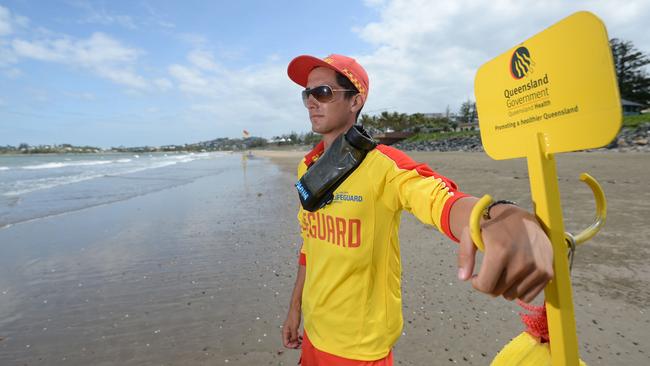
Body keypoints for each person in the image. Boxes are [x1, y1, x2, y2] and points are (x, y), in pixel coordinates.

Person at [281, 54, 554, 365]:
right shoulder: (308, 167)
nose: (312, 102)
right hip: (314, 334)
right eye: (307, 94)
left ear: (355, 101)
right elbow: (309, 246)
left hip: (359, 345)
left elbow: (439, 198)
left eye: (323, 93)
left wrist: (495, 216)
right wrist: (294, 309)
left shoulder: (382, 165)